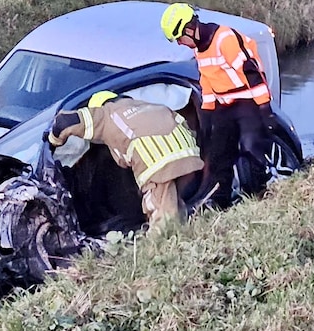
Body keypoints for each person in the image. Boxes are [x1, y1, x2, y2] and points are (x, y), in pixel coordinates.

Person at [160, 2, 274, 208]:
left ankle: (258, 197)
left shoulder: (225, 39)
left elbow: (251, 72)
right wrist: (207, 115)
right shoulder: (199, 49)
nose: (180, 44)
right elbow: (208, 82)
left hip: (247, 103)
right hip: (225, 107)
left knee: (252, 147)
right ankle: (221, 202)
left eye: (180, 38)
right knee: (218, 155)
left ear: (189, 28)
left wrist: (264, 107)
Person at [48, 91, 203, 231]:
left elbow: (65, 122)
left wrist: (52, 141)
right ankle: (183, 233)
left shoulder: (105, 114)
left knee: (160, 213)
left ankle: (157, 252)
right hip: (187, 152)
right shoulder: (146, 106)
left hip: (157, 161)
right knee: (172, 203)